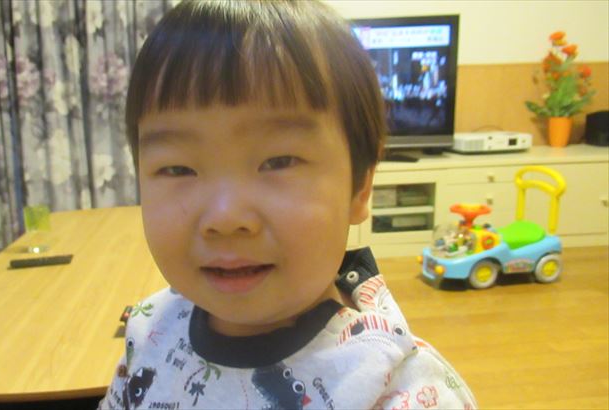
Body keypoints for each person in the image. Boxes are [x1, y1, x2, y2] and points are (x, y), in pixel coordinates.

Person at [100, 1, 477, 409]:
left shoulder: (398, 393)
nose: (225, 217)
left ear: (360, 187)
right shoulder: (150, 330)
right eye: (178, 169)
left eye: (279, 162)